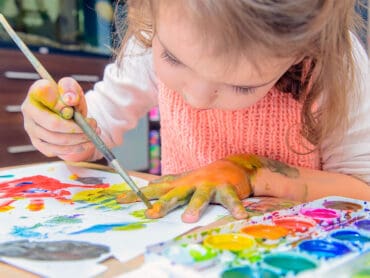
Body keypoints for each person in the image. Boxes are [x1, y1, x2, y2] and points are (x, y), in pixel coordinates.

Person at [21, 0, 370, 223]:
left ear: (300, 52)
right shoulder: (153, 34)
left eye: (243, 86)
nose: (197, 99)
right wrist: (68, 128)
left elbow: (362, 190)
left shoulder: (334, 65)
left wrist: (252, 174)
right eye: (173, 59)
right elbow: (99, 130)